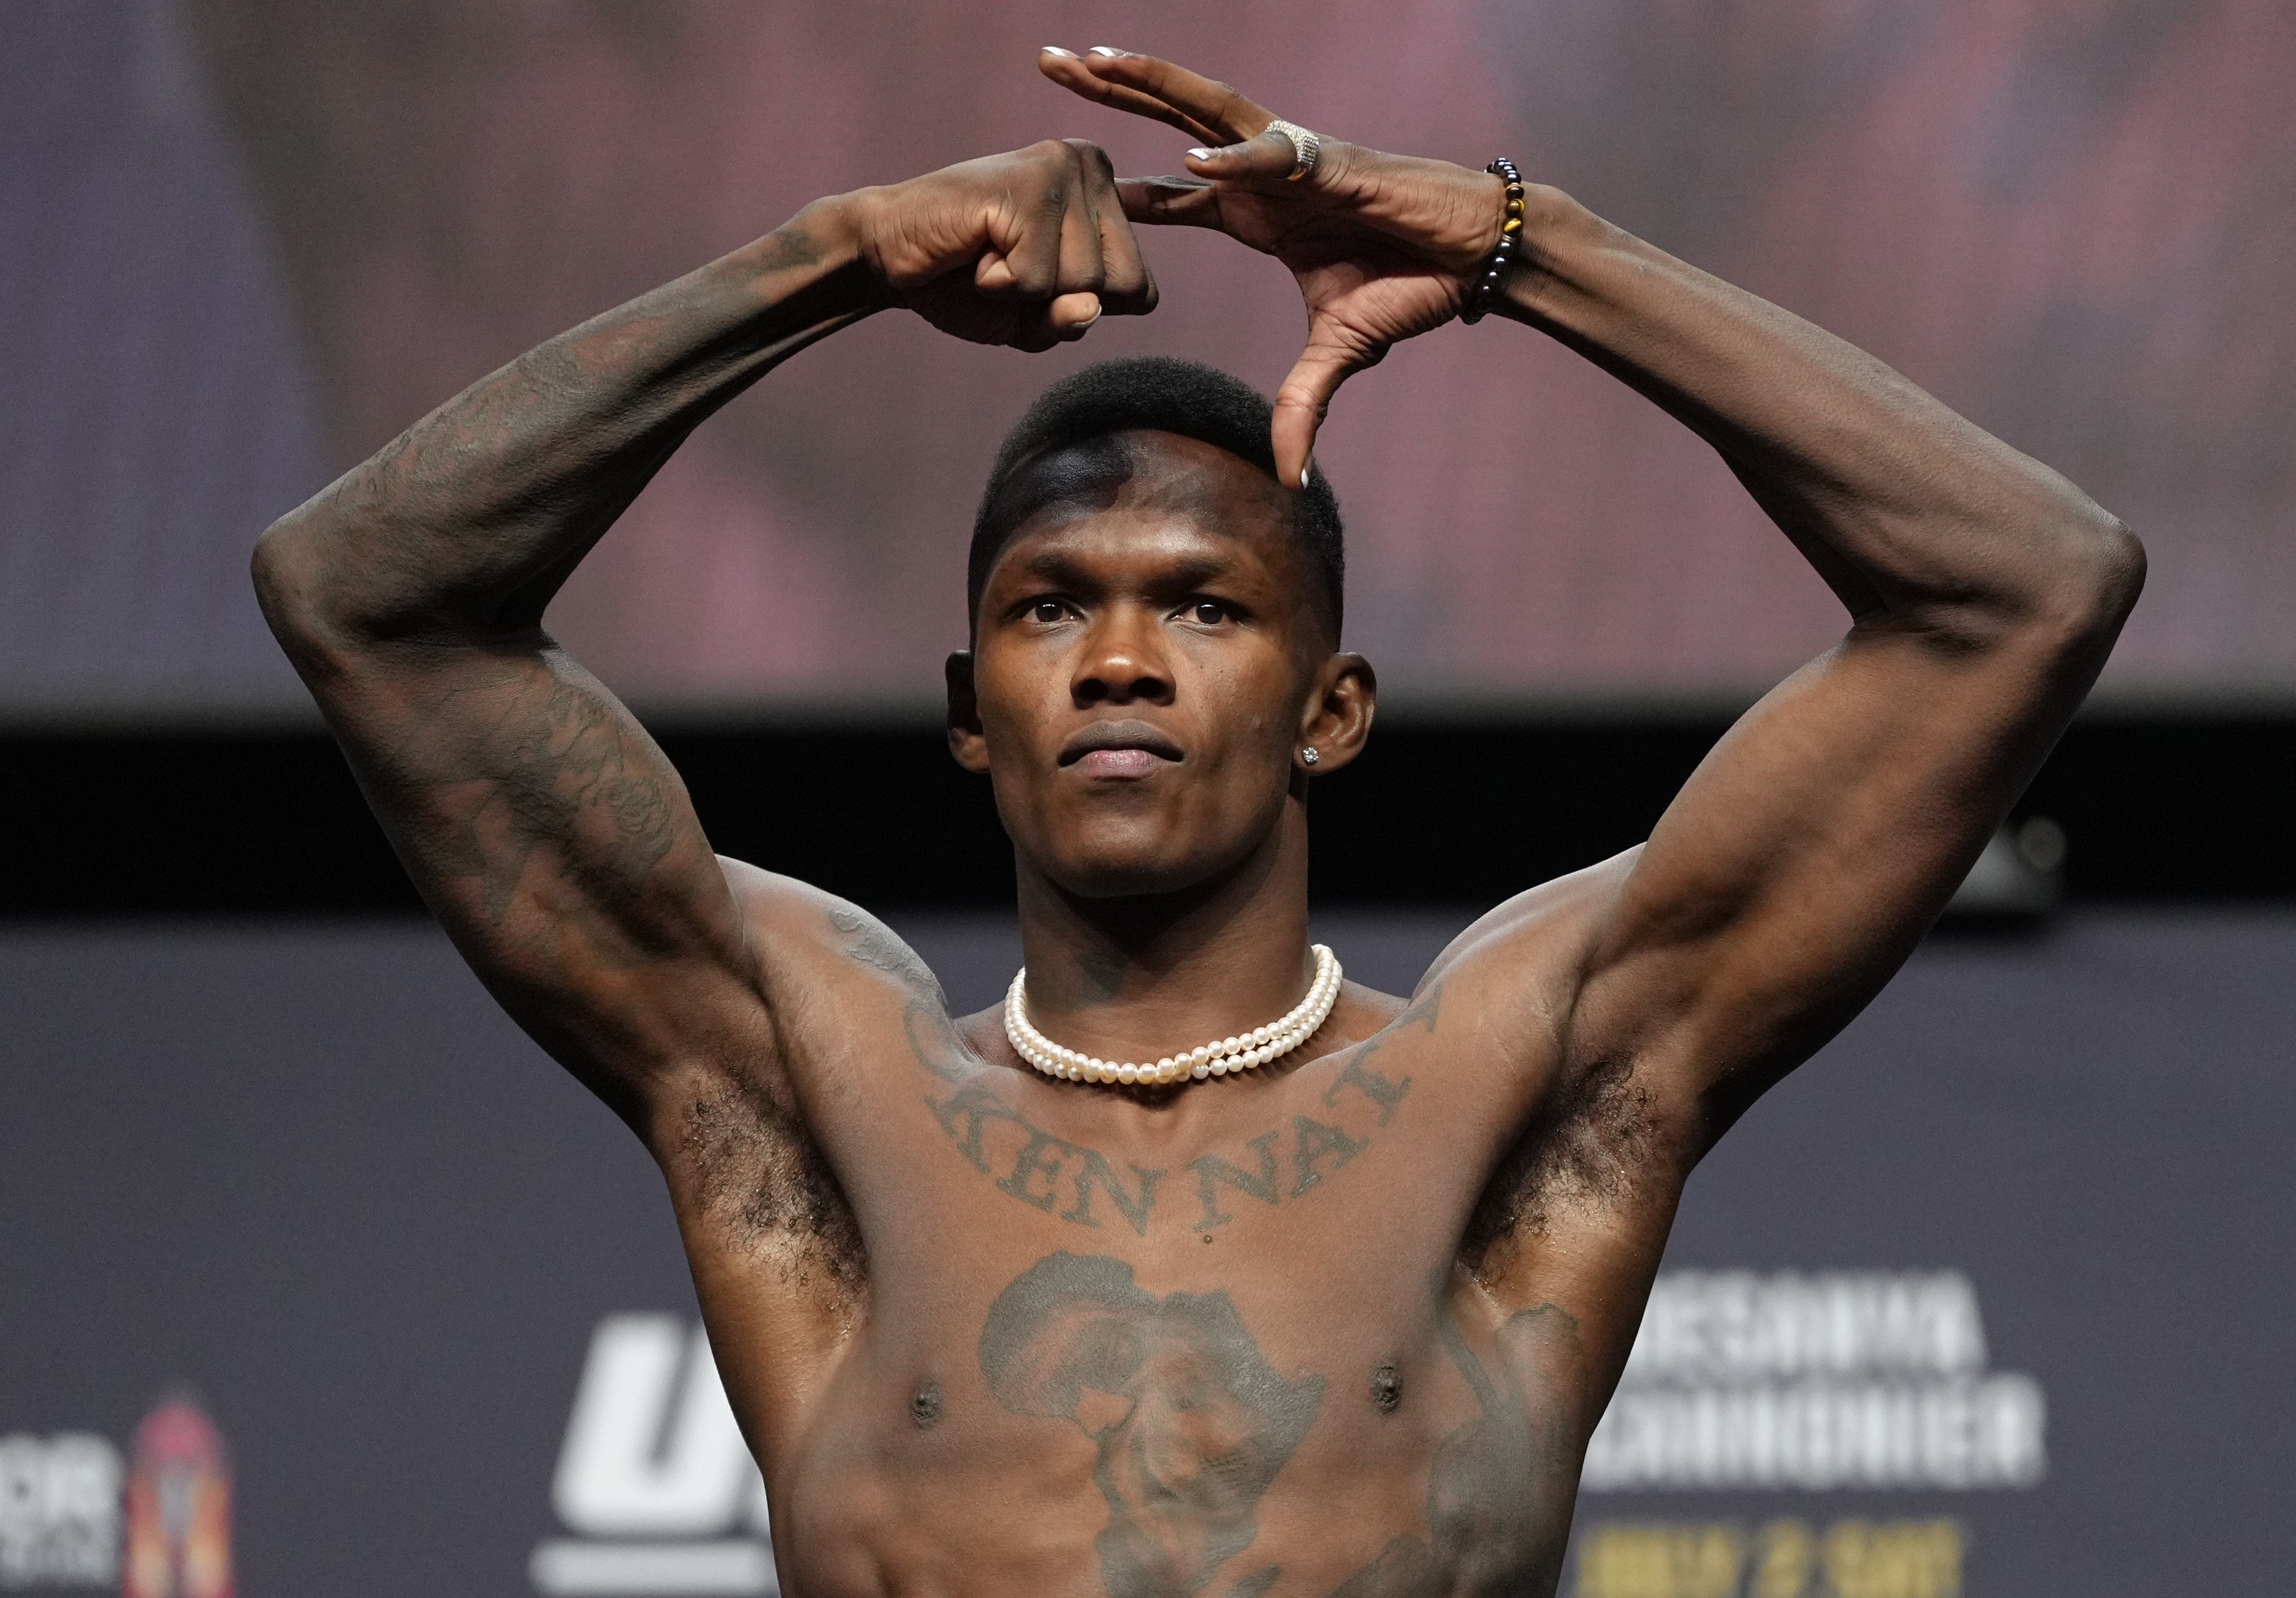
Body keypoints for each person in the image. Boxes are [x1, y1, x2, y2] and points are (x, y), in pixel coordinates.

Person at [251, 47, 2140, 1598]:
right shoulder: (809, 1082)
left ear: (1333, 710)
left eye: (1207, 607)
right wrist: (828, 258)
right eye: (1052, 606)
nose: (1123, 659)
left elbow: (2026, 588)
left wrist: (1514, 241)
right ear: (968, 718)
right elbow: (365, 593)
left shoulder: (1520, 1079)